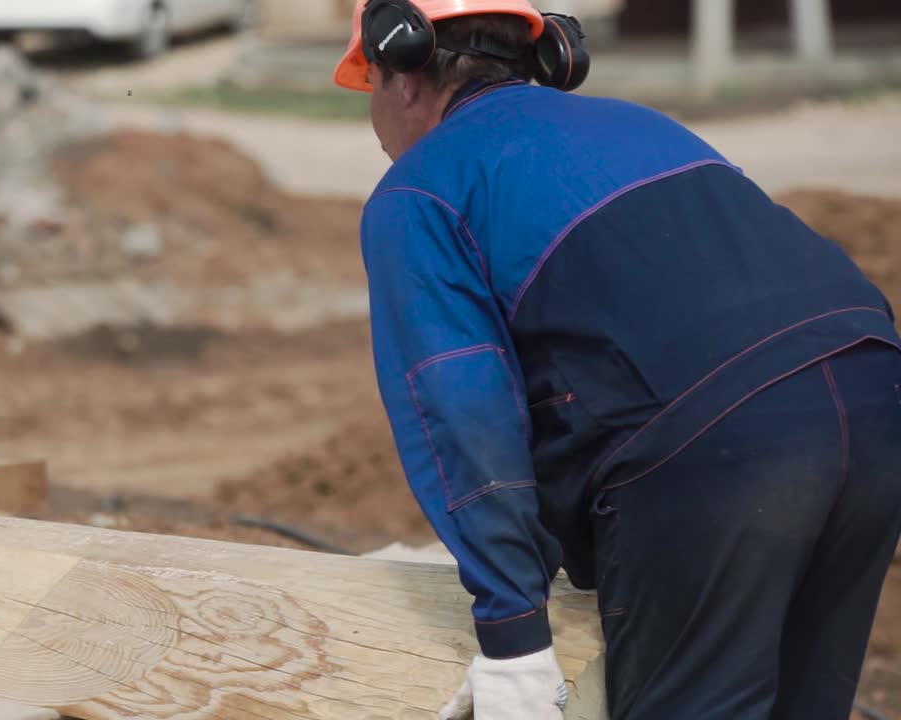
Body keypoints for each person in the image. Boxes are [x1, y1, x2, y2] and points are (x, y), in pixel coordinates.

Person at [332, 1, 901, 718]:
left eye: (369, 85)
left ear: (403, 73)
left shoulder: (419, 190)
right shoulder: (642, 123)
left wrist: (514, 641)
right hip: (876, 390)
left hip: (721, 452)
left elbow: (459, 408)